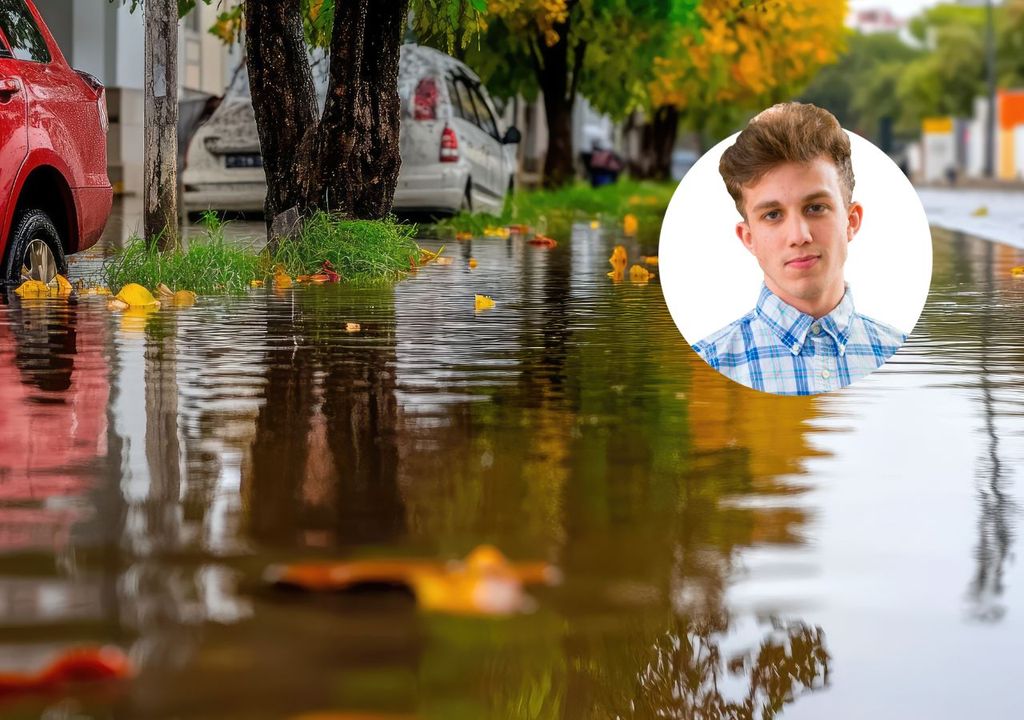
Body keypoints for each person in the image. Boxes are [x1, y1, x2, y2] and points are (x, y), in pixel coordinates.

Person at [692, 102, 906, 395]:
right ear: (748, 238)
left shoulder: (903, 357)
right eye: (772, 215)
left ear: (851, 221)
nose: (799, 235)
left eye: (816, 207)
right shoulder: (707, 366)